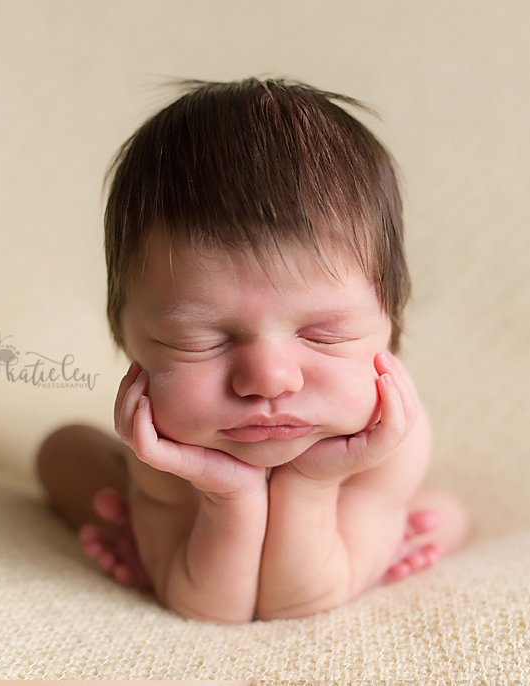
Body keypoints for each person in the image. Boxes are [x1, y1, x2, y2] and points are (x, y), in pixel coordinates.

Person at [36, 78, 468, 624]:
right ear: (130, 341)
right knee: (63, 449)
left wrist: (316, 483)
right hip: (189, 480)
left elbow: (297, 603)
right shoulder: (166, 443)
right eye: (201, 340)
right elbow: (212, 607)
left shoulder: (384, 439)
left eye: (322, 334)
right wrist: (226, 494)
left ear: (391, 323)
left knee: (439, 514)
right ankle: (152, 527)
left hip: (344, 500)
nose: (268, 379)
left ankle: (383, 531)